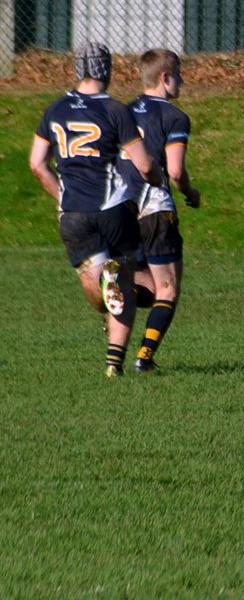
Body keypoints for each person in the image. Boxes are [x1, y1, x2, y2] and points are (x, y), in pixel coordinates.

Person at [28, 42, 155, 376]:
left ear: (77, 69)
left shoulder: (55, 110)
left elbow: (37, 164)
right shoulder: (115, 110)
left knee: (100, 291)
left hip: (72, 214)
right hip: (113, 208)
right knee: (132, 285)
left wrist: (62, 197)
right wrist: (156, 178)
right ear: (107, 70)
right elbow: (143, 164)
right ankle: (114, 365)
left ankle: (104, 286)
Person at [119, 48, 200, 373]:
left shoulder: (121, 113)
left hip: (119, 209)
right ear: (165, 78)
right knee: (167, 288)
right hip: (154, 208)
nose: (182, 81)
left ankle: (114, 293)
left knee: (143, 287)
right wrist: (191, 194)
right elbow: (176, 172)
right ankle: (145, 358)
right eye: (178, 75)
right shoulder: (174, 117)